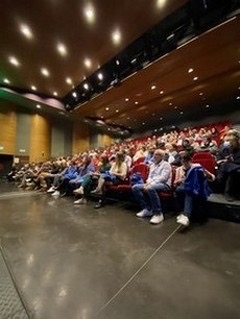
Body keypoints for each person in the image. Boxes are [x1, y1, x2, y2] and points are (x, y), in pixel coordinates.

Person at [174, 152, 215, 226]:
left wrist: (207, 174)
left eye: (187, 161)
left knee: (189, 190)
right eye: (183, 162)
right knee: (180, 189)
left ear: (190, 160)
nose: (185, 164)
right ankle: (184, 213)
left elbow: (212, 177)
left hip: (199, 187)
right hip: (185, 187)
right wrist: (179, 181)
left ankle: (186, 215)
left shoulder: (197, 167)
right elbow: (175, 182)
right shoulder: (179, 169)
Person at [132, 149, 172, 225]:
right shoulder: (152, 165)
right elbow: (149, 177)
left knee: (150, 188)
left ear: (162, 156)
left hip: (164, 184)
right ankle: (147, 209)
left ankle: (158, 213)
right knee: (135, 187)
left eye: (157, 154)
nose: (154, 156)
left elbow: (163, 178)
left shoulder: (166, 164)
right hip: (152, 183)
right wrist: (148, 182)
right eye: (154, 154)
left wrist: (150, 184)